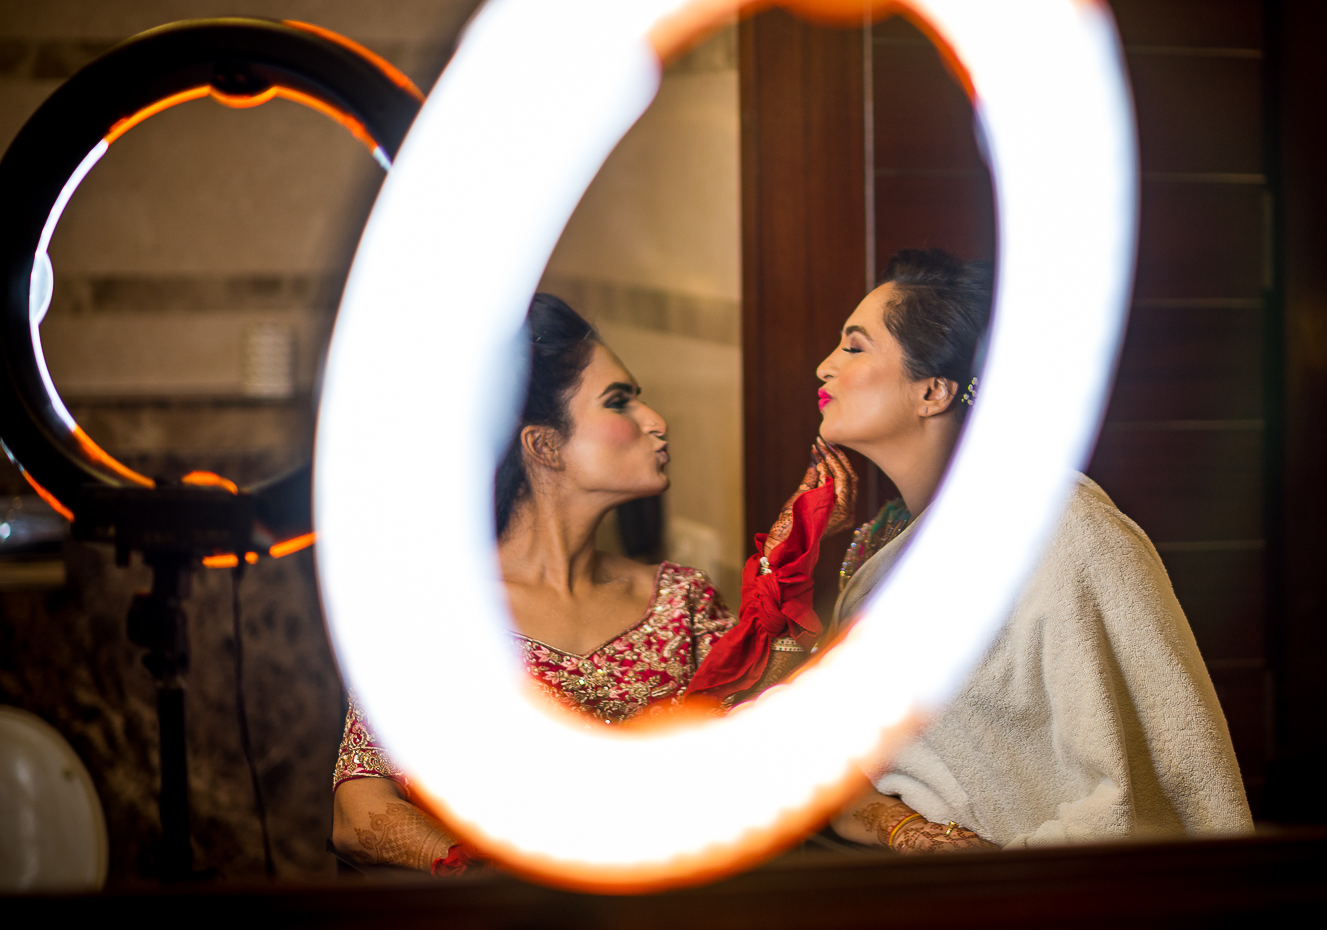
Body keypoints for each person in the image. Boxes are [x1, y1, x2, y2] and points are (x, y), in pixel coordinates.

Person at [817, 249, 1253, 854]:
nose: (824, 367)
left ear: (934, 390)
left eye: (854, 347)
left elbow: (1136, 792)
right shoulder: (881, 560)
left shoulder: (1066, 533)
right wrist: (915, 835)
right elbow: (841, 769)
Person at [330, 294, 735, 873]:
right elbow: (358, 810)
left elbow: (760, 753)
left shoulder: (683, 602)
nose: (655, 420)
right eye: (620, 402)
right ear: (543, 444)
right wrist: (491, 884)